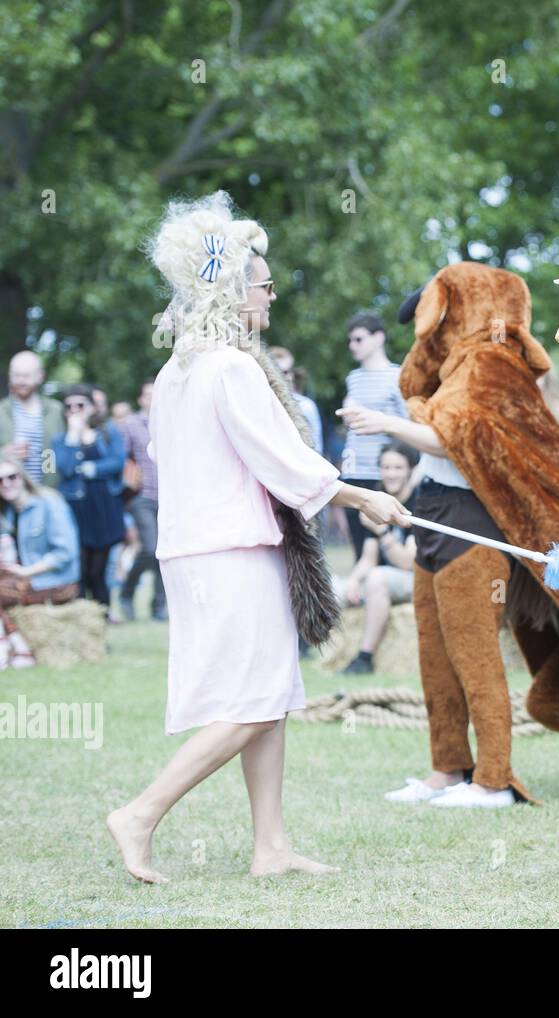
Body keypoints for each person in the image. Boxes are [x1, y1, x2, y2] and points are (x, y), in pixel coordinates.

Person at [106, 191, 408, 884]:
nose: (272, 296)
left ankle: (270, 847)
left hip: (200, 550)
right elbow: (281, 456)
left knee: (268, 696)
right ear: (237, 291)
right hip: (230, 551)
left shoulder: (177, 371)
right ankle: (140, 814)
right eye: (265, 284)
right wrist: (365, 495)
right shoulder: (231, 368)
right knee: (252, 703)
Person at [335, 442, 417, 674]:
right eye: (386, 467)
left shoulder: (418, 502)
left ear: (410, 469)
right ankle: (311, 650)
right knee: (332, 587)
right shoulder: (378, 501)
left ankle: (365, 656)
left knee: (376, 578)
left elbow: (408, 563)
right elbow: (368, 558)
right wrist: (353, 579)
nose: (391, 474)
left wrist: (382, 531)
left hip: (415, 581)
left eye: (398, 468)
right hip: (379, 579)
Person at [340, 313, 409, 560]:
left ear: (378, 338)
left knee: (386, 546)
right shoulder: (353, 378)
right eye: (350, 340)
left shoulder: (398, 375)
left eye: (358, 339)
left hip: (384, 475)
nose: (352, 346)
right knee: (361, 547)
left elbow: (408, 424)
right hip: (354, 472)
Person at [53, 383, 126, 611]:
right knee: (82, 571)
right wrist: (74, 437)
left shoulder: (107, 432)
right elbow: (63, 468)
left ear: (91, 408)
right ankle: (84, 621)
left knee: (98, 572)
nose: (74, 410)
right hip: (76, 511)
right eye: (69, 406)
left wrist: (90, 469)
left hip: (103, 509)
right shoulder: (60, 441)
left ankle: (101, 619)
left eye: (80, 405)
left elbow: (117, 462)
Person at [0, 453, 81, 608]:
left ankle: (13, 633)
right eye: (0, 480)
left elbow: (65, 553)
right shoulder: (7, 513)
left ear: (23, 477)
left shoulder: (49, 502)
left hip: (56, 582)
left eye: (12, 477)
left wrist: (27, 571)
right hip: (25, 580)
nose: (6, 483)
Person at [118, 378, 167, 621]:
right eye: (148, 394)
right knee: (150, 547)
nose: (152, 399)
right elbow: (121, 457)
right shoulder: (130, 424)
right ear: (140, 399)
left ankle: (158, 606)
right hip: (142, 496)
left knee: (166, 551)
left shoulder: (171, 421)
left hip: (169, 496)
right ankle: (126, 592)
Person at [0, 351, 65, 486]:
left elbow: (55, 454)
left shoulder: (56, 410)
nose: (21, 381)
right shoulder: (2, 410)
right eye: (17, 375)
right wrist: (4, 454)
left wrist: (50, 486)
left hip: (47, 493)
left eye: (27, 375)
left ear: (40, 376)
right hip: (8, 495)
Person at [267, 346, 324, 454]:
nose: (281, 376)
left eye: (286, 372)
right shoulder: (260, 403)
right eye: (276, 371)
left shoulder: (306, 406)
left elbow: (317, 448)